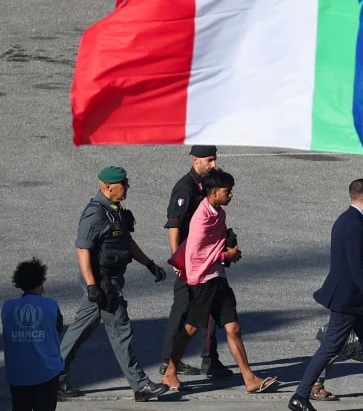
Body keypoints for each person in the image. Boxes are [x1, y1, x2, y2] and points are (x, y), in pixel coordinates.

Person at [288, 179, 363, 411]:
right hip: (349, 300)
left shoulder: (347, 220)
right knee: (331, 346)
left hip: (357, 300)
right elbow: (357, 267)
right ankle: (300, 395)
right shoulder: (354, 225)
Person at [162, 169, 279, 394]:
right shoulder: (201, 218)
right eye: (228, 191)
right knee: (190, 328)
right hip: (203, 281)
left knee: (233, 327)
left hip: (218, 278)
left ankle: (249, 378)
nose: (231, 195)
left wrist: (227, 250)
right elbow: (194, 254)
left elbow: (214, 246)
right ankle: (169, 372)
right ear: (214, 192)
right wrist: (226, 256)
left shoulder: (219, 213)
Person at [58, 166, 169, 402]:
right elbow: (83, 249)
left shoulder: (114, 211)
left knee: (81, 329)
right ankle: (140, 386)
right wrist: (91, 286)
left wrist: (149, 264)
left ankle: (54, 376)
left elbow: (126, 241)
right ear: (108, 187)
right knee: (120, 330)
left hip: (109, 279)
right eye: (124, 183)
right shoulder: (95, 214)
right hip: (101, 281)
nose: (127, 186)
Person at [160, 145, 231, 378]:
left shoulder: (207, 185)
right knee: (182, 310)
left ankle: (210, 358)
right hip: (189, 261)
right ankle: (168, 362)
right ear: (195, 160)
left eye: (215, 160)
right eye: (209, 160)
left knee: (210, 310)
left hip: (206, 260)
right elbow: (174, 225)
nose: (214, 164)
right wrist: (177, 260)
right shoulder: (185, 188)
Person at [2, 258, 63, 411]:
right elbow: (58, 328)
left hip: (18, 374)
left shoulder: (8, 307)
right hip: (47, 373)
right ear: (40, 283)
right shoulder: (51, 306)